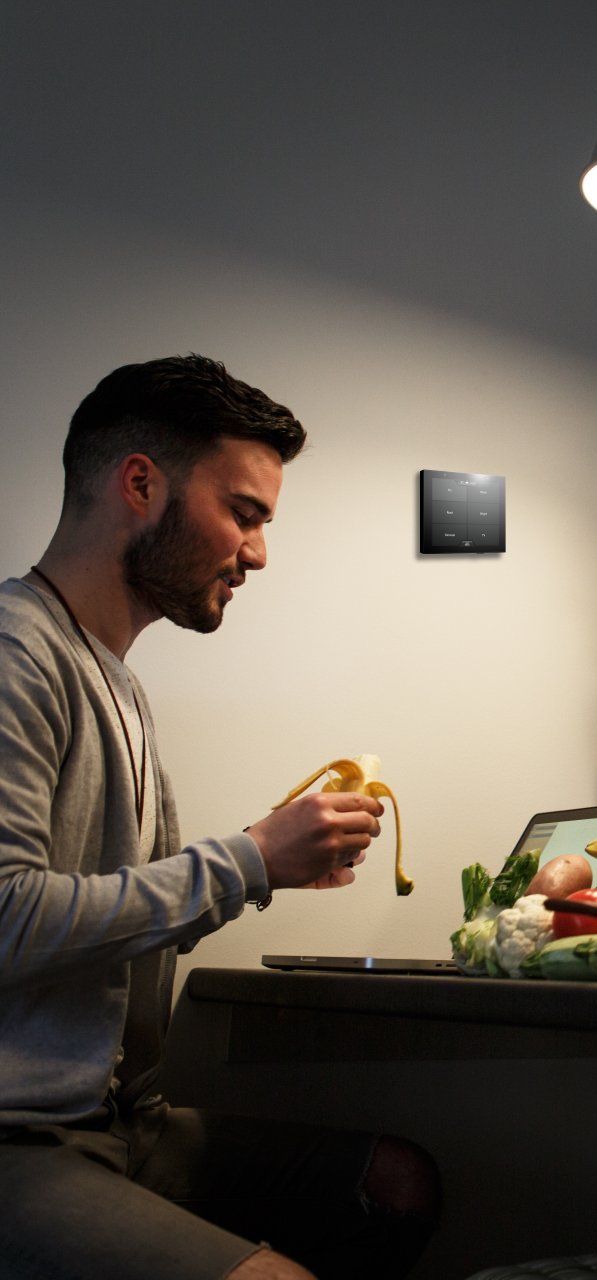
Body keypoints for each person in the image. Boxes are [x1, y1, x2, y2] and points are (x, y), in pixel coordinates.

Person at [0, 355, 440, 1278]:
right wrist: (245, 861)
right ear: (139, 483)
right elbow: (8, 918)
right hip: (22, 1141)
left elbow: (104, 925)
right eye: (244, 513)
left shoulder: (115, 680)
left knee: (395, 1180)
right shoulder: (16, 655)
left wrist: (268, 866)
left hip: (127, 1126)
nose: (258, 553)